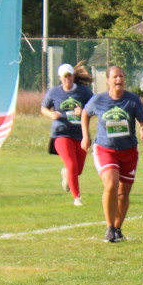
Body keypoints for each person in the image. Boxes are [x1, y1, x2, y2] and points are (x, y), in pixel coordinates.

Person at [80, 65, 143, 242]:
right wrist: (85, 136)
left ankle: (118, 228)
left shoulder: (132, 99)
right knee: (111, 184)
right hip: (105, 149)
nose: (119, 79)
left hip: (129, 151)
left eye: (121, 76)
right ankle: (109, 227)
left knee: (123, 193)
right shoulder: (99, 100)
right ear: (108, 80)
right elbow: (85, 113)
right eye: (115, 77)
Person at [41, 61, 93, 205]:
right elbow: (43, 108)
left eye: (69, 75)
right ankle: (77, 198)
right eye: (64, 76)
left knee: (78, 169)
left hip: (80, 134)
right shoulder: (54, 92)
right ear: (60, 78)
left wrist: (83, 111)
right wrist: (52, 114)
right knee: (71, 164)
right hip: (61, 133)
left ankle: (66, 173)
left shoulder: (83, 92)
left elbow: (94, 107)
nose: (66, 79)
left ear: (73, 76)